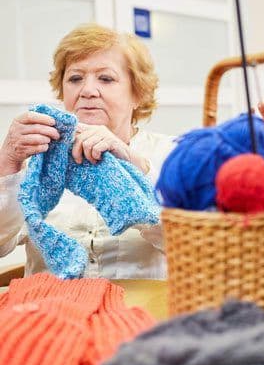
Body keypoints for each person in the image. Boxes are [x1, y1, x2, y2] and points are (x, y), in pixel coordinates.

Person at [0, 24, 175, 279]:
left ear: (138, 93)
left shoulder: (172, 155)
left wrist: (131, 166)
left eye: (106, 78)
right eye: (75, 79)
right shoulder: (39, 162)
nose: (87, 90)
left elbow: (198, 246)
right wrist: (7, 163)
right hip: (49, 311)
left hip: (141, 313)